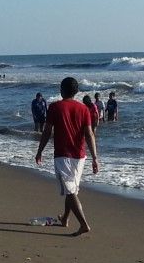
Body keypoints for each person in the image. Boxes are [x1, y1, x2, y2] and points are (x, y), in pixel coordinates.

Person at [35, 76, 100, 236]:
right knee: (72, 189)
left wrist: (40, 150)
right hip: (80, 156)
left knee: (70, 191)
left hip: (63, 155)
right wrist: (95, 157)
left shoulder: (55, 107)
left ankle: (84, 224)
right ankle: (64, 218)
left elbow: (47, 131)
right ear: (76, 92)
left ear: (61, 90)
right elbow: (90, 134)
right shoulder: (84, 109)